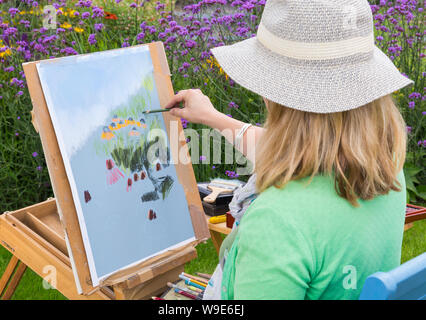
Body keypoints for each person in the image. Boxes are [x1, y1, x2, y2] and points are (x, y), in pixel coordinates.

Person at [165, 0, 413, 299]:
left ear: (277, 96)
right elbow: (299, 150)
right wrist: (212, 117)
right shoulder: (387, 167)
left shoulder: (278, 222)